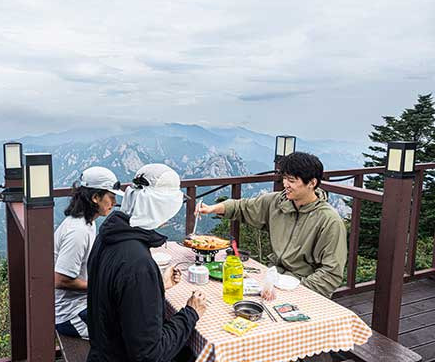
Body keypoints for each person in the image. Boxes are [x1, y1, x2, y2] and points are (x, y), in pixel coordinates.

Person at [87, 163, 207, 362]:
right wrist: (191, 313)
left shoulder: (107, 237)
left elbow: (120, 299)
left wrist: (157, 286)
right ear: (161, 208)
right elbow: (150, 354)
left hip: (103, 352)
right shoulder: (138, 264)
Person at [198, 152, 347, 298]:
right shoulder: (277, 202)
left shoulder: (329, 221)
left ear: (312, 183)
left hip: (302, 287)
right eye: (284, 179)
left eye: (292, 180)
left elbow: (331, 273)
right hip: (273, 277)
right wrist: (212, 209)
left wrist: (297, 292)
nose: (285, 184)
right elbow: (242, 207)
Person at [54, 166, 124, 340]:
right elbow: (60, 280)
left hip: (82, 304)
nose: (114, 203)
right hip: (71, 315)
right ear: (95, 197)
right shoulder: (78, 232)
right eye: (111, 197)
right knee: (130, 332)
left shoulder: (86, 222)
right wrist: (102, 286)